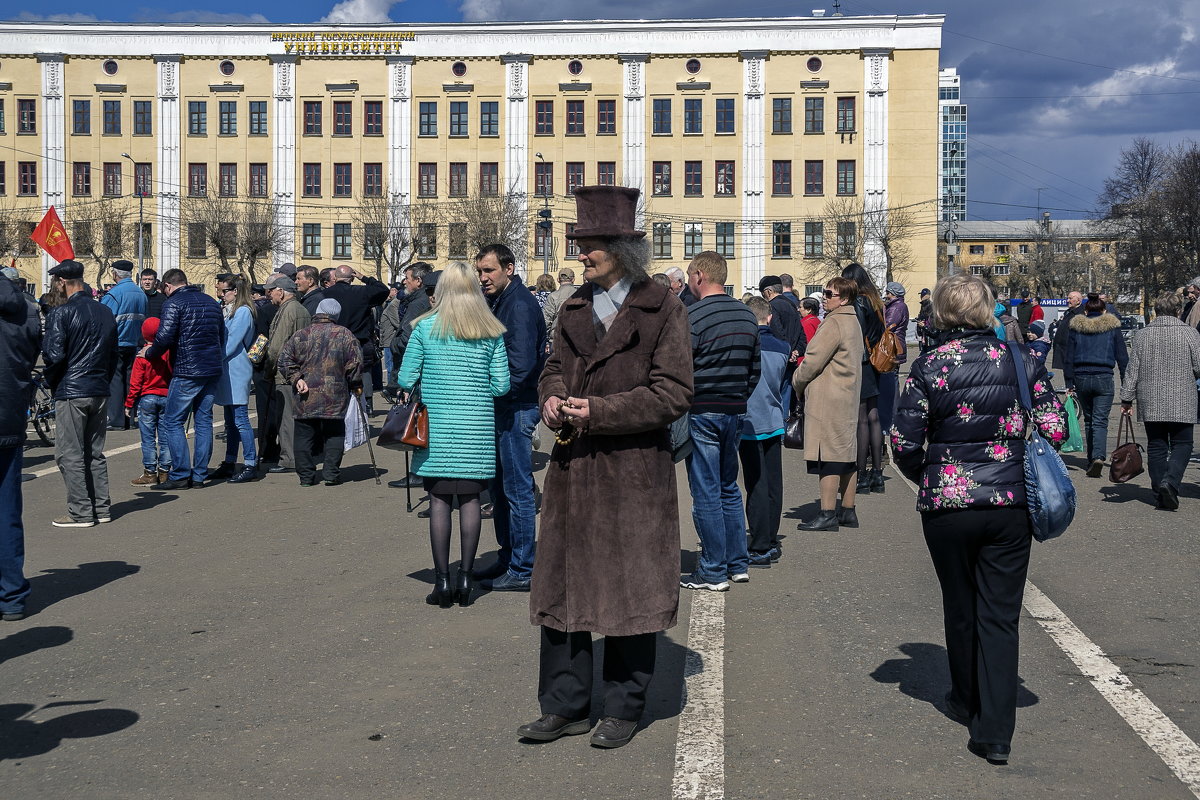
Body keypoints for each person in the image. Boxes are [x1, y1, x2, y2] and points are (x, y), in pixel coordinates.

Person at [521, 185, 692, 750]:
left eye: (588, 244)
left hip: (633, 471)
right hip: (573, 468)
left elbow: (672, 394)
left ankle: (623, 706)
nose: (579, 254)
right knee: (564, 588)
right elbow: (550, 369)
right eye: (579, 244)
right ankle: (564, 706)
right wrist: (551, 398)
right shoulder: (571, 306)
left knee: (629, 591)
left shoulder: (662, 308)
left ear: (620, 248)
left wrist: (599, 410)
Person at [891, 273, 1066, 766]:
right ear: (987, 310)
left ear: (942, 313)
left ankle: (964, 697)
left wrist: (926, 472)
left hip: (948, 502)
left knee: (960, 602)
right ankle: (994, 731)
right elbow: (1055, 426)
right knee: (1001, 613)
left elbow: (903, 442)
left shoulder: (929, 365)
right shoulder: (1023, 360)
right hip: (1009, 502)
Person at [397, 262, 510, 607]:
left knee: (439, 501)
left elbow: (404, 378)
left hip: (439, 430)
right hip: (475, 429)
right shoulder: (490, 331)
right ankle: (466, 581)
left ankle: (442, 581)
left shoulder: (425, 327)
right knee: (473, 501)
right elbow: (501, 385)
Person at [680, 251, 760, 591]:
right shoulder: (747, 314)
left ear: (699, 275)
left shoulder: (692, 315)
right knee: (729, 487)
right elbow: (754, 369)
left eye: (688, 277)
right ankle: (736, 562)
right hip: (735, 409)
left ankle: (712, 569)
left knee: (706, 491)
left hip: (702, 409)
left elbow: (682, 365)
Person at [475, 243, 548, 592]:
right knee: (500, 489)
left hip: (517, 406)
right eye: (480, 271)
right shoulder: (501, 300)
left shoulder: (518, 304)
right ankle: (508, 558)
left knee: (517, 491)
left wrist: (486, 392)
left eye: (489, 270)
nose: (483, 277)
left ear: (509, 267)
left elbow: (520, 367)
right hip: (504, 406)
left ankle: (522, 568)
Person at [42, 260, 118, 526]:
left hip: (73, 389)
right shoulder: (104, 311)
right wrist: (102, 381)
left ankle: (81, 511)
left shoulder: (60, 313)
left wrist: (53, 382)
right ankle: (101, 508)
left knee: (69, 453)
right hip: (98, 387)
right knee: (94, 452)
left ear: (62, 282)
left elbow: (53, 355)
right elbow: (113, 355)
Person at [141, 268, 226, 491]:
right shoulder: (210, 301)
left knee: (172, 421)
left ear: (168, 286)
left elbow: (164, 337)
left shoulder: (174, 303)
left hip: (187, 369)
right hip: (211, 368)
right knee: (203, 421)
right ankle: (198, 475)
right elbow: (221, 336)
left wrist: (149, 353)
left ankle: (179, 474)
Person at [791, 276, 864, 531]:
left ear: (843, 299)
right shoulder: (853, 320)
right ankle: (848, 510)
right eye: (824, 292)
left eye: (829, 294)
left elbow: (812, 361)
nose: (824, 297)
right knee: (846, 454)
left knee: (829, 457)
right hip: (847, 395)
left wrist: (796, 382)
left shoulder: (834, 323)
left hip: (829, 397)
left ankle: (827, 512)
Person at [1121, 291, 1200, 510]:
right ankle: (1170, 482)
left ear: (1156, 311)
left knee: (1156, 446)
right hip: (1182, 397)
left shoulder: (1143, 335)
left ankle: (1159, 491)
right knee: (1183, 444)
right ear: (1177, 310)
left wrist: (1126, 399)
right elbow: (1199, 366)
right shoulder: (1190, 334)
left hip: (1150, 398)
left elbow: (1132, 370)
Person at [278, 298, 363, 487]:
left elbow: (284, 360)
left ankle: (306, 477)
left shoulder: (301, 334)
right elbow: (355, 364)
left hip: (305, 394)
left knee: (303, 435)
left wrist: (296, 378)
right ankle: (331, 474)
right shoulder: (345, 335)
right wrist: (354, 383)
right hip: (335, 394)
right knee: (334, 433)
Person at [0, 268, 41, 618]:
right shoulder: (25, 307)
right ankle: (11, 595)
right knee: (7, 512)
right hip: (8, 416)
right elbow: (32, 356)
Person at [740, 296, 788, 568]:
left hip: (749, 421)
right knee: (773, 483)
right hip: (773, 418)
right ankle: (769, 539)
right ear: (769, 317)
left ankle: (758, 546)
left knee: (754, 484)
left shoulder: (747, 345)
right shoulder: (782, 347)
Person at [1063, 293, 1128, 477]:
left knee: (1090, 419)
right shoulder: (1112, 328)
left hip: (1081, 377)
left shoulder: (1077, 327)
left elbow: (1069, 357)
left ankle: (1092, 459)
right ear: (1104, 310)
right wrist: (1126, 382)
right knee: (1100, 420)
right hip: (1104, 377)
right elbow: (1122, 357)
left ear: (1085, 310)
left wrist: (1069, 382)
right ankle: (1098, 456)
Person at [209, 275, 260, 484]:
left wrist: (211, 357)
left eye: (223, 291)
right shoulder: (228, 310)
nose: (220, 295)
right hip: (227, 370)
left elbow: (230, 343)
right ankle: (230, 461)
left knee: (240, 420)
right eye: (219, 291)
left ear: (235, 291)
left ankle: (250, 463)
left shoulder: (243, 312)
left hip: (237, 369)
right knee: (230, 421)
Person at [842, 263, 886, 494]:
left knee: (860, 419)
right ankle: (877, 473)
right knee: (873, 416)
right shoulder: (875, 300)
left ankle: (860, 474)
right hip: (875, 363)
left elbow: (856, 334)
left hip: (861, 363)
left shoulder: (858, 302)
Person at [321, 264, 389, 413]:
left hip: (334, 341)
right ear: (351, 278)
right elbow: (383, 290)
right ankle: (365, 406)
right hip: (359, 340)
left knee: (336, 375)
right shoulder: (361, 292)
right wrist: (363, 277)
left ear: (335, 278)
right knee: (362, 373)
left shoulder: (325, 294)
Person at [261, 274, 311, 474]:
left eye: (271, 290)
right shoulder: (301, 309)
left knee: (286, 418)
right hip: (300, 370)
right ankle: (299, 455)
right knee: (298, 417)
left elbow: (276, 347)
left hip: (286, 373)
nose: (269, 294)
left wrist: (268, 370)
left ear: (281, 291)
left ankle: (288, 459)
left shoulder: (287, 310)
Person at [100, 259, 148, 430]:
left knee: (115, 381)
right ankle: (130, 418)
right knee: (131, 381)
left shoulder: (114, 294)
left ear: (115, 274)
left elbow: (103, 319)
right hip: (135, 342)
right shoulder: (140, 293)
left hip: (117, 342)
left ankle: (116, 420)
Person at [125, 317, 172, 486]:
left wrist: (129, 403)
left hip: (147, 397)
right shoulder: (167, 352)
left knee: (148, 437)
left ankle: (150, 472)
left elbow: (135, 383)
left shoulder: (142, 355)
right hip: (166, 396)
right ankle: (165, 471)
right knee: (166, 436)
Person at [880, 281, 911, 442]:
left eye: (887, 292)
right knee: (891, 384)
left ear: (892, 293)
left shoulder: (897, 307)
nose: (886, 294)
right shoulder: (896, 305)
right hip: (893, 348)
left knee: (890, 386)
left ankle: (892, 421)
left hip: (892, 349)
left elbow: (888, 325)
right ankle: (892, 419)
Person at [1051, 291, 1084, 374]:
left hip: (1072, 354)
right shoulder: (1068, 312)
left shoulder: (1081, 314)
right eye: (1067, 298)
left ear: (1078, 301)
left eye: (1070, 298)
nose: (1067, 301)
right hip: (1064, 352)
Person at [541, 267, 579, 335]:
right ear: (573, 279)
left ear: (558, 280)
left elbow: (545, 320)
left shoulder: (553, 296)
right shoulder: (581, 295)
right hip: (577, 335)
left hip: (557, 336)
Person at [797, 297, 821, 362]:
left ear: (808, 310)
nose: (798, 310)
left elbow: (807, 344)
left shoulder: (807, 323)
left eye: (800, 307)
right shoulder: (816, 320)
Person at [916, 287, 933, 352]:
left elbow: (930, 321)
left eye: (923, 295)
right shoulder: (923, 306)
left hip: (929, 339)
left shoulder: (930, 306)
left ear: (928, 296)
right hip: (924, 337)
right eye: (921, 295)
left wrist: (923, 325)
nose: (921, 297)